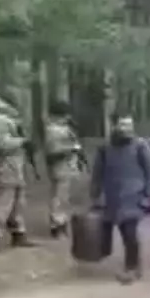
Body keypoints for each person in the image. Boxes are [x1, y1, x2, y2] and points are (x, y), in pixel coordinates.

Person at [90, 115, 150, 284]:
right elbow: (97, 173)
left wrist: (148, 196)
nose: (125, 128)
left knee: (130, 232)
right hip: (113, 196)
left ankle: (132, 268)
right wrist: (95, 194)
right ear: (115, 126)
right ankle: (134, 264)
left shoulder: (140, 146)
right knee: (121, 230)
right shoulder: (105, 148)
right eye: (122, 124)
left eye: (128, 125)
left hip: (134, 195)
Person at [0, 93, 35, 252]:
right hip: (4, 165)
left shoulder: (7, 118)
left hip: (14, 165)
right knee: (4, 202)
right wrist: (22, 142)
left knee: (18, 202)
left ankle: (18, 233)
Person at [43, 100, 83, 238]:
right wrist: (72, 149)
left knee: (63, 196)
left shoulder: (63, 128)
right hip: (60, 166)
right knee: (59, 197)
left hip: (66, 166)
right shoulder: (54, 130)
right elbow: (53, 150)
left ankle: (61, 221)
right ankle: (57, 224)